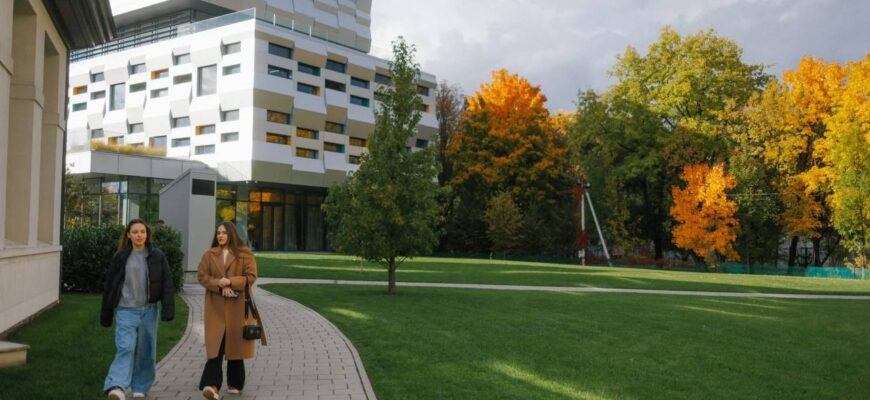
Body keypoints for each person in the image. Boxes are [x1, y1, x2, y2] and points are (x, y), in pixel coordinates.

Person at [101, 219, 176, 400]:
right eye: (135, 232)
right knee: (125, 347)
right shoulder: (120, 257)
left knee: (146, 351)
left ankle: (140, 385)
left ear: (147, 234)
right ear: (128, 235)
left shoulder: (157, 256)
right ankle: (116, 386)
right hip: (126, 310)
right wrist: (106, 313)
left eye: (142, 231)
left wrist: (168, 308)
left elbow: (167, 283)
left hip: (149, 311)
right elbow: (111, 285)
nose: (139, 235)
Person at [197, 221, 267, 399]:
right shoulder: (209, 254)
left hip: (238, 306)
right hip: (216, 306)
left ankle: (235, 383)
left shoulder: (245, 254)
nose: (220, 235)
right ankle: (212, 385)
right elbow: (202, 276)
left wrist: (231, 282)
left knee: (235, 343)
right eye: (218, 233)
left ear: (232, 234)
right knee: (216, 344)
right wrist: (219, 285)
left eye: (224, 233)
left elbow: (251, 276)